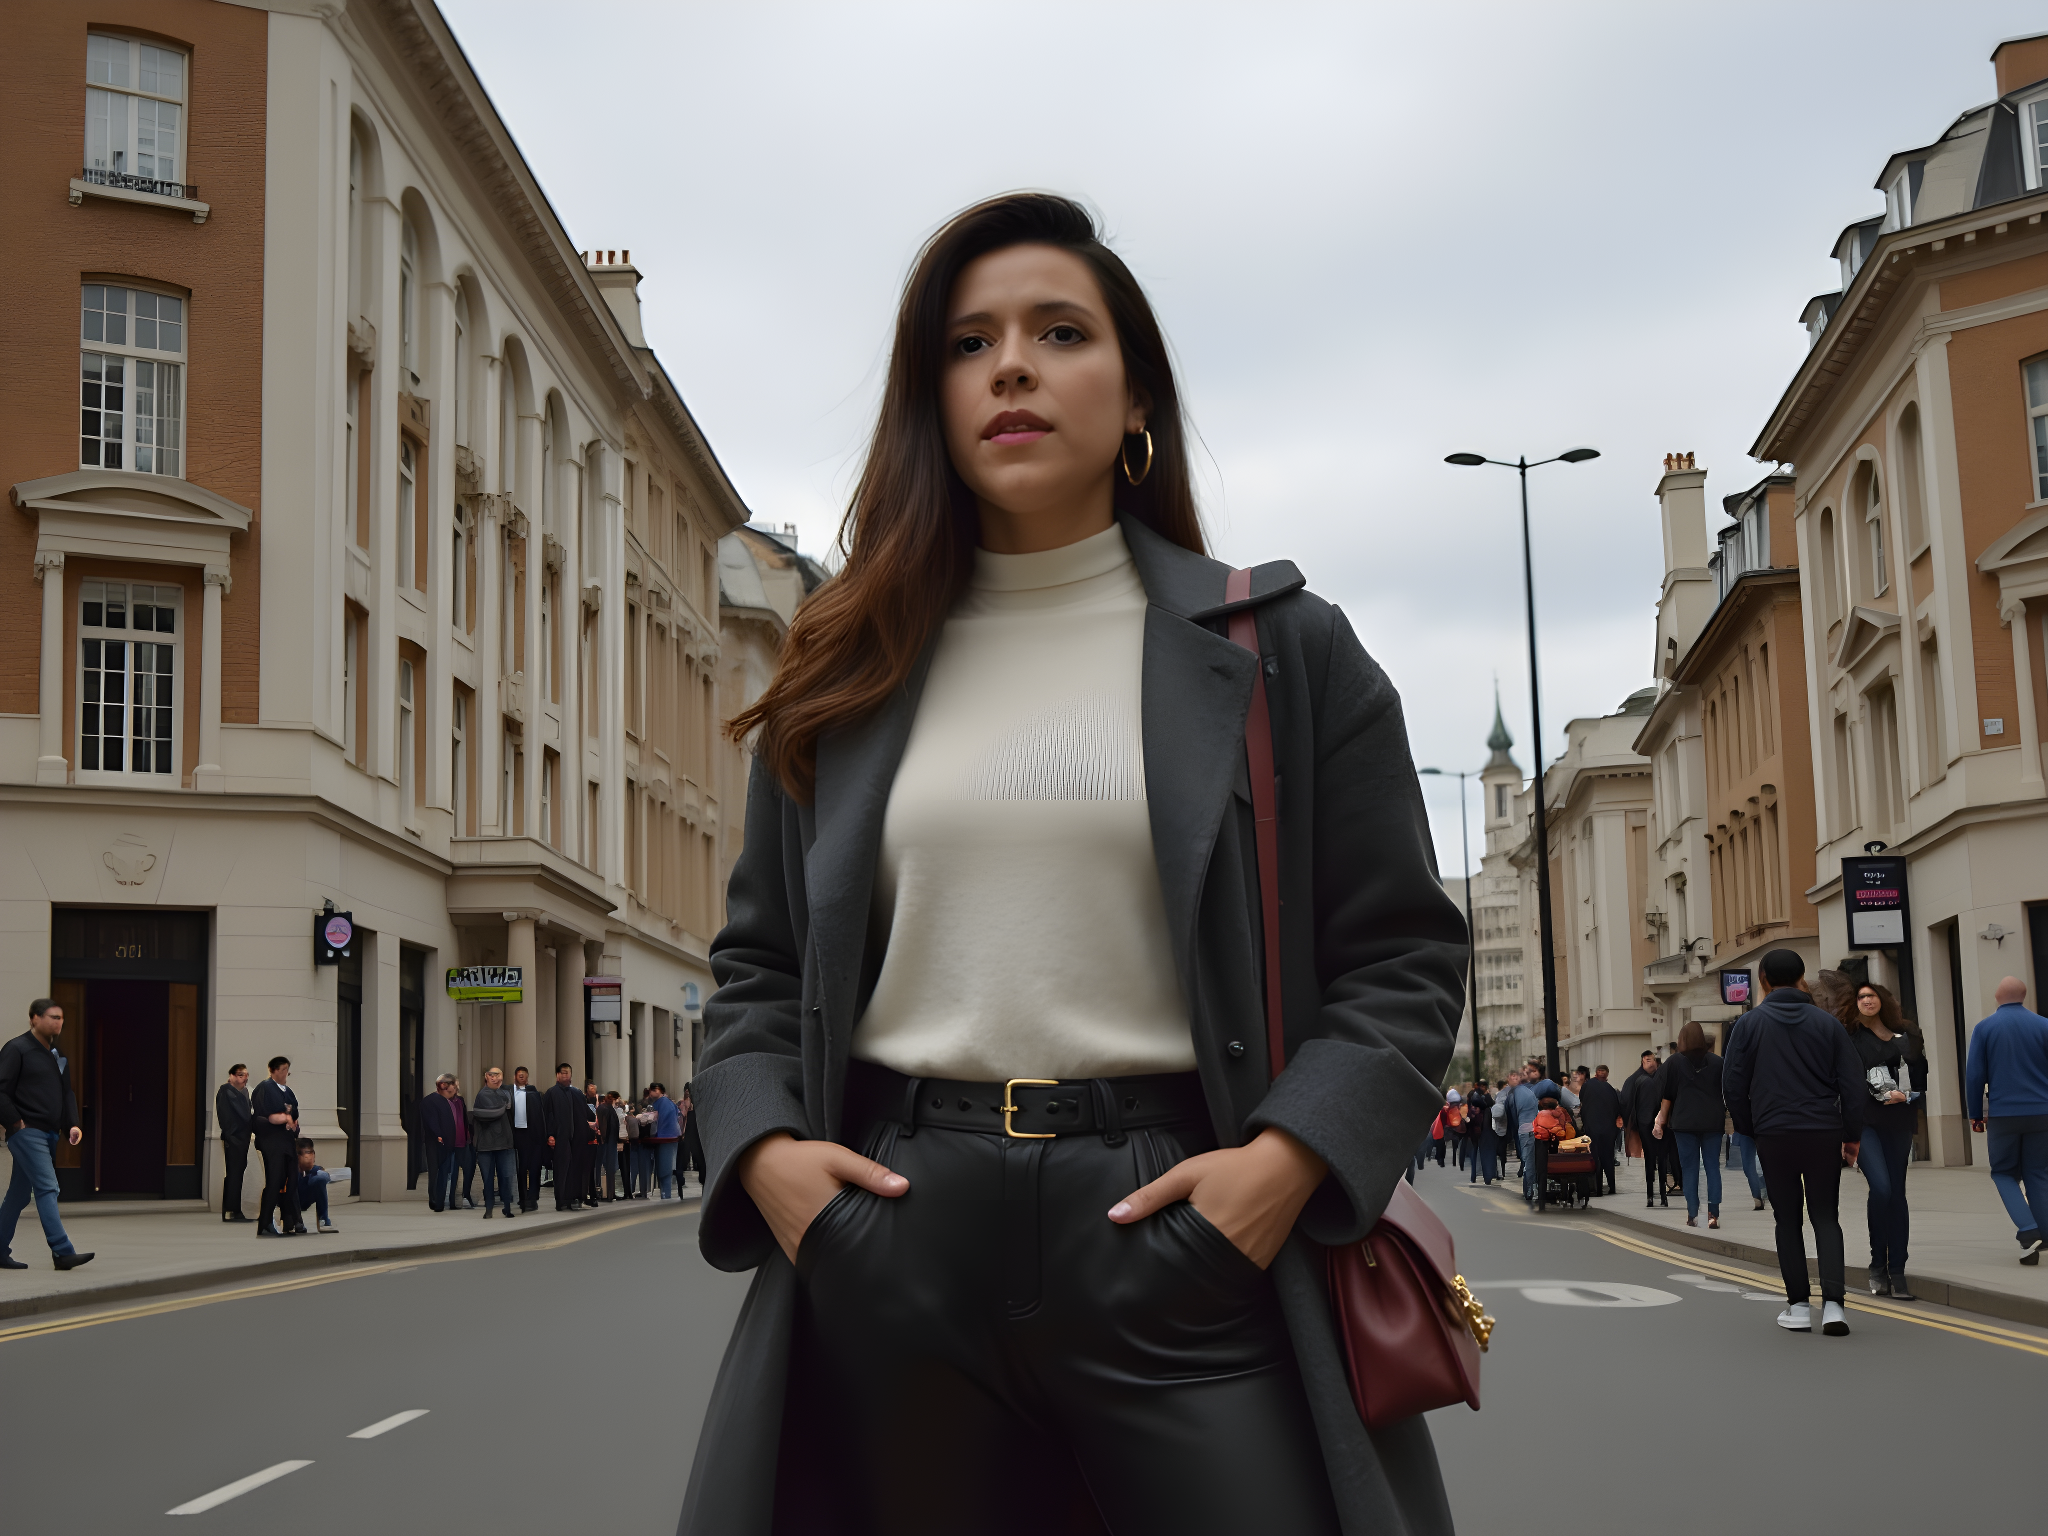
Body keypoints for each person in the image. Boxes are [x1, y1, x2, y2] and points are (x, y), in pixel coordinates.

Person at [683, 193, 1465, 1536]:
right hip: (896, 1233)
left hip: (1178, 1226)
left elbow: (1402, 954)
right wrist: (768, 1160)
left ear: (1135, 393)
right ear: (932, 400)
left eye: (1060, 332)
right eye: (970, 342)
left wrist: (1281, 1169)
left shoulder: (1283, 648)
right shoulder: (844, 666)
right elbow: (756, 964)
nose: (1014, 367)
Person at [1723, 948, 1862, 1337]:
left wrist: (1752, 1127)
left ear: (1763, 979)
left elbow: (1732, 1086)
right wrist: (1851, 1135)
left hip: (1774, 1132)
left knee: (1787, 1217)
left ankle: (1798, 1307)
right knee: (1826, 1216)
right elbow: (1852, 1084)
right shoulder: (1827, 1024)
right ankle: (1834, 1308)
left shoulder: (1748, 1025)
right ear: (1801, 977)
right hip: (1822, 1131)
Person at [1836, 981, 1925, 1297]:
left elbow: (1922, 1082)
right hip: (1866, 1124)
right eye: (1860, 996)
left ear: (1882, 1000)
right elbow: (1844, 1084)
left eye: (1870, 995)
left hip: (1899, 1123)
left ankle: (1897, 1271)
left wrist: (1908, 1095)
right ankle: (1877, 1265)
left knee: (1897, 1196)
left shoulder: (1908, 1038)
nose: (1865, 1000)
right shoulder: (1851, 1040)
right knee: (1883, 1188)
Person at [0, 998, 91, 1272]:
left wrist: (72, 1125)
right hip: (28, 1133)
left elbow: (66, 1093)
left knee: (18, 1195)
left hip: (50, 1134)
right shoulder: (16, 1049)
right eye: (52, 1017)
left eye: (61, 1017)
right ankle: (62, 1252)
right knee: (48, 1187)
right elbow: (1, 1090)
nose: (58, 1022)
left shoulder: (56, 1055)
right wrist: (15, 1124)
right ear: (34, 1019)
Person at [1965, 975, 2048, 1266]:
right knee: (2038, 1172)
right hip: (2042, 1112)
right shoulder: (2044, 1025)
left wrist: (1975, 1113)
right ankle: (2044, 1233)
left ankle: (2028, 1232)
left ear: (1998, 997)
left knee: (2003, 1173)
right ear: (2023, 996)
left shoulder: (1985, 1028)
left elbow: (1975, 1075)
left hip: (2004, 1113)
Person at [1651, 1021, 1726, 1228]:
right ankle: (1713, 1215)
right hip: (1712, 1122)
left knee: (1690, 1168)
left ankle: (1693, 1214)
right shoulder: (1718, 1062)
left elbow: (1667, 1095)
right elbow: (1726, 1092)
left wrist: (1661, 1121)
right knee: (1712, 1167)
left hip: (1684, 1123)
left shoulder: (1674, 1062)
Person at [251, 1056, 306, 1237]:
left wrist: (293, 1123)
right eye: (282, 1069)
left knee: (291, 1181)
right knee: (274, 1182)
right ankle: (265, 1224)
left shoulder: (288, 1092)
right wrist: (285, 1118)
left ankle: (289, 1219)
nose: (285, 1073)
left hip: (288, 1143)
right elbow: (268, 1116)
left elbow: (294, 1114)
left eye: (287, 1069)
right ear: (273, 1070)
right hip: (272, 1143)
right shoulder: (265, 1088)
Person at [1621, 1050, 1670, 1208]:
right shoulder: (1662, 1081)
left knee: (1649, 1158)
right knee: (1662, 1158)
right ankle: (1663, 1195)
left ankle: (1650, 1195)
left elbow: (1629, 1104)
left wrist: (1632, 1125)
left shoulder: (1638, 1081)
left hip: (1644, 1125)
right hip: (1662, 1125)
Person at [468, 1066, 519, 1219]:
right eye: (492, 1075)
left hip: (504, 1143)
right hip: (486, 1145)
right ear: (486, 1077)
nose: (495, 1078)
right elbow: (491, 1112)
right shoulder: (482, 1095)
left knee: (506, 1176)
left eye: (498, 1075)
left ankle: (507, 1208)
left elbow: (513, 1114)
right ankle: (489, 1208)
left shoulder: (506, 1094)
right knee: (488, 1178)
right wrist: (504, 1105)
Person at [543, 1063, 592, 1211]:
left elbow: (585, 1114)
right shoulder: (551, 1093)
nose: (565, 1076)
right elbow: (547, 1116)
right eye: (562, 1073)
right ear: (557, 1075)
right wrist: (550, 1135)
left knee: (575, 1169)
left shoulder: (576, 1093)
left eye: (568, 1073)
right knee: (561, 1169)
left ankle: (574, 1198)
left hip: (576, 1138)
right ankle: (561, 1200)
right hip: (560, 1137)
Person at [421, 1074, 469, 1212]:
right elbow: (432, 1121)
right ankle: (435, 1200)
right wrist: (439, 1136)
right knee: (435, 1172)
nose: (456, 1088)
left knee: (445, 1172)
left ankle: (441, 1201)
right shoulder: (430, 1101)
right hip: (436, 1143)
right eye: (454, 1085)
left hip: (450, 1143)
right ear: (443, 1085)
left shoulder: (451, 1102)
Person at [1577, 1059, 1623, 1197]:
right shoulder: (1611, 1089)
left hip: (1592, 1129)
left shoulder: (1587, 1086)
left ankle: (1597, 1189)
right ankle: (1612, 1186)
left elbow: (1582, 1103)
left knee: (1594, 1156)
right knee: (1608, 1156)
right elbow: (1617, 1110)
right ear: (1606, 1076)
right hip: (1609, 1130)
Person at [216, 1062, 253, 1223]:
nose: (244, 1078)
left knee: (238, 1173)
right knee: (233, 1174)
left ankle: (234, 1209)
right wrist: (231, 1137)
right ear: (231, 1076)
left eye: (246, 1075)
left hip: (242, 1138)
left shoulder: (244, 1092)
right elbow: (226, 1117)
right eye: (240, 1075)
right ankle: (231, 1210)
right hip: (234, 1138)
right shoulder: (226, 1091)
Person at [508, 1066, 546, 1212]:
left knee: (535, 1167)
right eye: (519, 1075)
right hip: (518, 1135)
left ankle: (533, 1197)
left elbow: (540, 1116)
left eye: (524, 1075)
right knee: (521, 1168)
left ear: (528, 1077)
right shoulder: (510, 1093)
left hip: (534, 1135)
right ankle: (523, 1198)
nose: (521, 1077)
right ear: (515, 1077)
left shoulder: (534, 1093)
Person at [294, 1138, 339, 1233]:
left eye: (311, 1153)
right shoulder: (292, 1170)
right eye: (306, 1154)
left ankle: (323, 1220)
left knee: (320, 1178)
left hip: (305, 1198)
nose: (310, 1157)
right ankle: (295, 1221)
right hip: (291, 1201)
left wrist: (316, 1171)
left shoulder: (313, 1170)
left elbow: (324, 1177)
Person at [648, 1082, 684, 1199]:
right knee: (664, 1167)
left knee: (664, 1167)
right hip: (668, 1137)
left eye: (654, 1090)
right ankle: (665, 1192)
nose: (651, 1092)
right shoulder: (666, 1102)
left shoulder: (663, 1103)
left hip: (666, 1137)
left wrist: (656, 1134)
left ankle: (666, 1193)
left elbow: (661, 1120)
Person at [1463, 1080, 1497, 1184]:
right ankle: (1486, 1176)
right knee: (1483, 1153)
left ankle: (1476, 1176)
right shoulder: (1480, 1100)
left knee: (1477, 1153)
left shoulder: (1474, 1096)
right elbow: (1488, 1104)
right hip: (1480, 1131)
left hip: (1477, 1130)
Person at [679, 1082, 705, 1191]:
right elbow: (681, 1117)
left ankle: (703, 1179)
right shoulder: (683, 1104)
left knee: (699, 1159)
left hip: (696, 1136)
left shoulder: (700, 1104)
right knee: (682, 1160)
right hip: (687, 1136)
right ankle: (681, 1181)